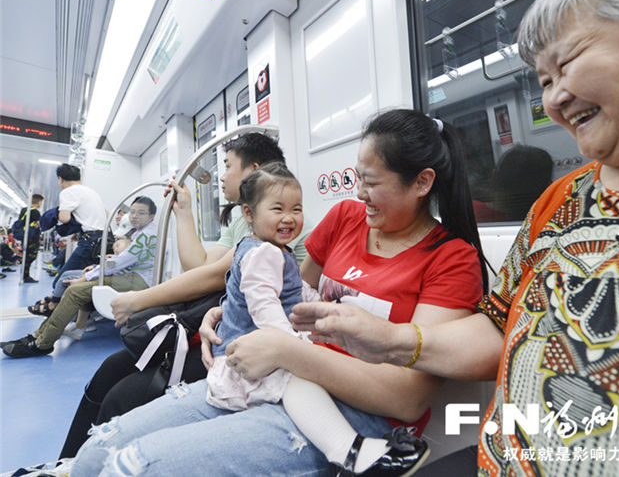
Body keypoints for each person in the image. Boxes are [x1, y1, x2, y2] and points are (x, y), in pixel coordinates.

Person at [291, 0, 619, 475]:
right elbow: (496, 327)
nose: (555, 98)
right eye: (544, 82)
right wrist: (393, 339)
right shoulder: (561, 200)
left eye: (566, 64)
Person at [69, 109, 487, 476]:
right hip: (272, 376)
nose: (358, 192)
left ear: (422, 182)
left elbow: (407, 398)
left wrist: (288, 352)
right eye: (357, 177)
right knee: (95, 454)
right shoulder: (346, 218)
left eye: (371, 182)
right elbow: (286, 292)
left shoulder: (452, 259)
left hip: (350, 413)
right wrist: (231, 311)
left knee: (130, 467)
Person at [59, 132, 312, 458]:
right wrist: (184, 212)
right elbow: (201, 264)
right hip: (217, 324)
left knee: (121, 397)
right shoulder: (241, 221)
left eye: (228, 166)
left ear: (253, 170)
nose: (222, 175)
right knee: (109, 370)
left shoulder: (278, 229)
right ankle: (65, 463)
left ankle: (86, 462)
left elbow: (211, 277)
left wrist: (138, 299)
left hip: (238, 341)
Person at [1, 196, 159, 358]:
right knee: (74, 287)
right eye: (132, 212)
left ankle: (43, 343)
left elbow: (118, 263)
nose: (134, 216)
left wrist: (88, 276)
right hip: (131, 276)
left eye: (140, 213)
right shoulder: (141, 233)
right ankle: (37, 336)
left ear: (151, 216)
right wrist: (99, 267)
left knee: (74, 291)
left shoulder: (146, 237)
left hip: (138, 281)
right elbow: (125, 260)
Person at [52, 163, 107, 285]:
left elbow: (64, 218)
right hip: (104, 240)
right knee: (89, 280)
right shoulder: (92, 192)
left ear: (60, 179)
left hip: (89, 243)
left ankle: (53, 303)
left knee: (60, 282)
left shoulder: (68, 192)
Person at [14, 193, 45, 283]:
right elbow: (38, 224)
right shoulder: (35, 212)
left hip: (25, 236)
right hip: (33, 237)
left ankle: (24, 274)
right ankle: (25, 276)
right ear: (38, 202)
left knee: (26, 254)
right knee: (31, 256)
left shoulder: (24, 210)